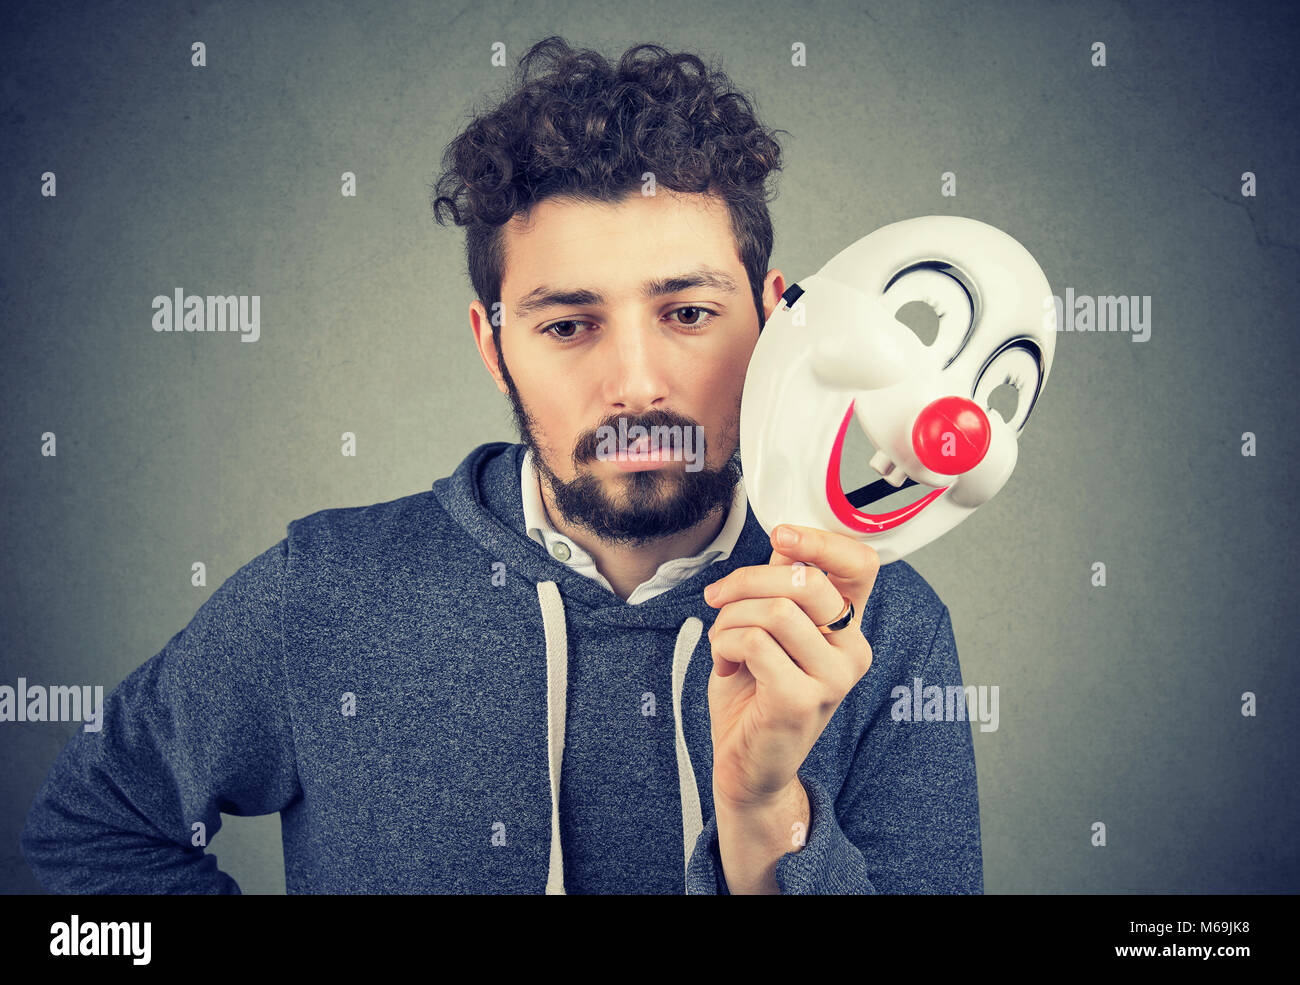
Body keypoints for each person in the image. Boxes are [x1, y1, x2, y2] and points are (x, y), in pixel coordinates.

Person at [21, 36, 982, 895]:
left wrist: (768, 814)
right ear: (493, 346)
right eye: (569, 324)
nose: (636, 384)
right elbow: (91, 829)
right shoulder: (324, 590)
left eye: (688, 313)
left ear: (779, 320)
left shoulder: (880, 626)